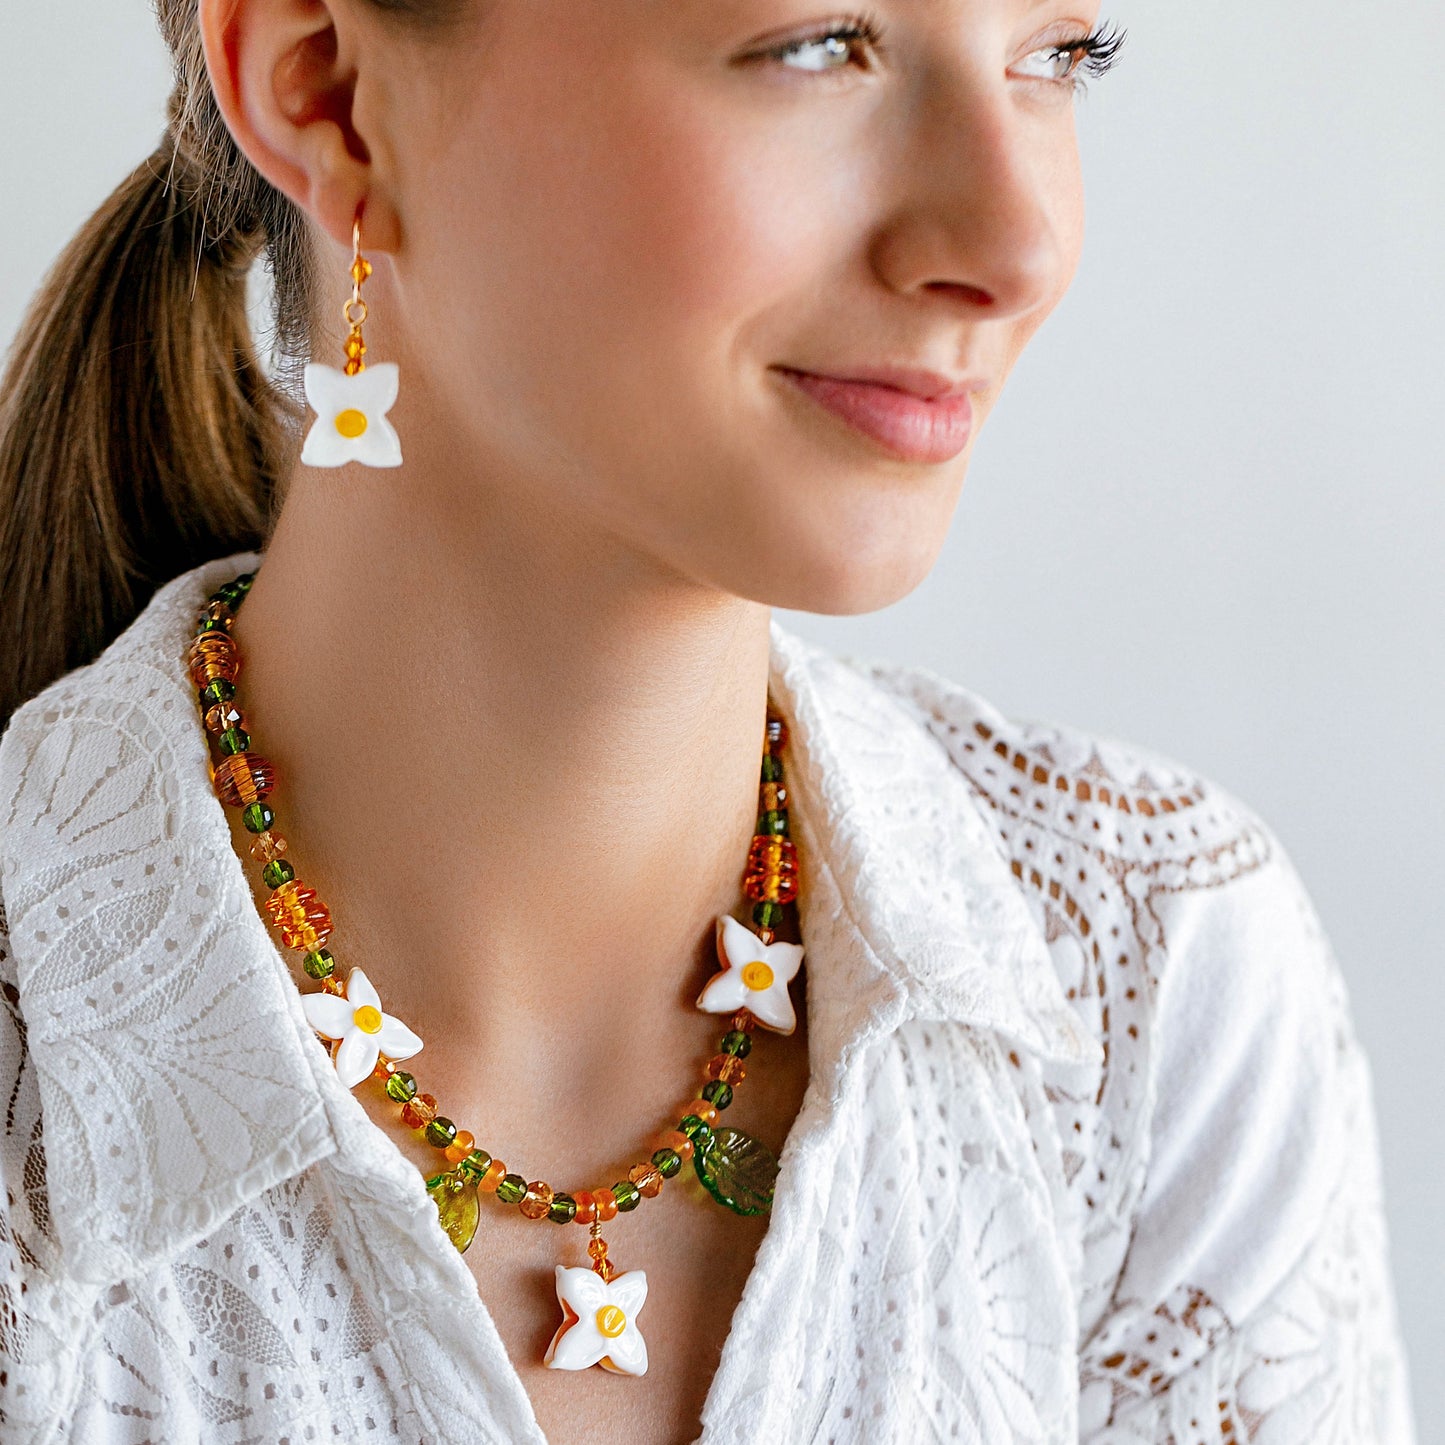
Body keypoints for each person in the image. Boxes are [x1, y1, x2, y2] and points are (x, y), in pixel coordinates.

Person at [0, 1, 1416, 1441]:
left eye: (1056, 56)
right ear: (332, 97)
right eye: (820, 44)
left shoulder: (1147, 991)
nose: (1015, 248)